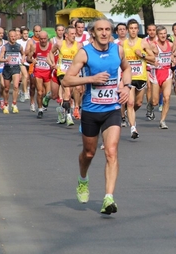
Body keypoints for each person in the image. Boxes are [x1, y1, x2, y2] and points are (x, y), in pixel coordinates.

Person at [62, 17, 132, 214]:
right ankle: (83, 179)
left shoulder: (117, 50)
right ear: (92, 32)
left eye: (107, 29)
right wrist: (91, 78)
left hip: (112, 108)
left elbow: (126, 69)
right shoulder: (85, 53)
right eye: (100, 29)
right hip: (91, 110)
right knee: (89, 153)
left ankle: (108, 198)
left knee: (111, 151)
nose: (104, 33)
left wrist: (126, 86)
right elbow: (67, 80)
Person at [123, 19, 156, 138]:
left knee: (138, 103)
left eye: (135, 28)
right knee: (130, 103)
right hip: (128, 78)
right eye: (131, 28)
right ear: (128, 30)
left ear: (138, 29)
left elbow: (153, 59)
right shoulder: (123, 44)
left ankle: (128, 113)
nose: (133, 30)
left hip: (141, 77)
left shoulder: (143, 43)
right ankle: (133, 128)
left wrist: (142, 55)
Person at [48, 25, 82, 126]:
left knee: (69, 93)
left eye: (75, 34)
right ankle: (68, 116)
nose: (74, 36)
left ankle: (61, 110)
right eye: (72, 34)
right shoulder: (59, 44)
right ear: (66, 35)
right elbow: (51, 52)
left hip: (73, 73)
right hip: (62, 72)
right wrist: (52, 64)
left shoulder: (79, 45)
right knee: (67, 91)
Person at [147, 25, 174, 128]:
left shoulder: (170, 45)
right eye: (161, 34)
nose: (163, 35)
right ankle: (150, 104)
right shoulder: (153, 45)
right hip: (156, 73)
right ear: (157, 35)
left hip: (167, 73)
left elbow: (172, 55)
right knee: (155, 101)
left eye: (164, 33)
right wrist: (153, 61)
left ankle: (162, 121)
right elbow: (147, 58)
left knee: (167, 98)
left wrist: (174, 58)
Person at [0, 30, 24, 114]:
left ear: (16, 37)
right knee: (6, 89)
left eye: (14, 36)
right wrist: (5, 59)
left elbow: (23, 54)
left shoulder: (19, 47)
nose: (13, 38)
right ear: (9, 37)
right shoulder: (5, 47)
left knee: (16, 86)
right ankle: (6, 104)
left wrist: (23, 58)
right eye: (11, 36)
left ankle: (14, 104)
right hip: (7, 69)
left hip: (16, 68)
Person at [28, 31, 52, 119]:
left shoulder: (51, 46)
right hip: (38, 71)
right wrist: (32, 60)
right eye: (41, 39)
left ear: (47, 38)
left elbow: (56, 57)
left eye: (44, 39)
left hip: (48, 72)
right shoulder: (35, 46)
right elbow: (28, 58)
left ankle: (44, 103)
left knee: (48, 94)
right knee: (39, 92)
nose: (43, 40)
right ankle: (40, 110)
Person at [17, 28, 31, 102]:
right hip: (21, 62)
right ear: (21, 34)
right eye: (24, 33)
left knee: (27, 80)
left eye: (27, 33)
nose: (26, 35)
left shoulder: (31, 41)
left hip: (29, 62)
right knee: (25, 76)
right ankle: (25, 93)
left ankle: (22, 92)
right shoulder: (18, 42)